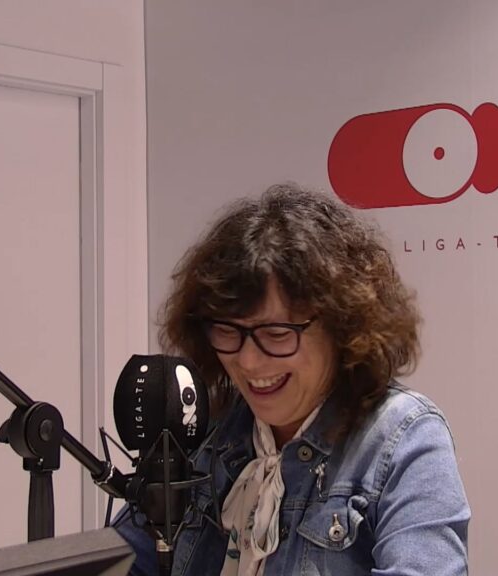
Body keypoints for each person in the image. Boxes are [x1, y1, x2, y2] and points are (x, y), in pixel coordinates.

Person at [114, 183, 470, 575]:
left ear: (342, 326)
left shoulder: (403, 439)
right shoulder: (208, 431)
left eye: (276, 334)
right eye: (228, 332)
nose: (248, 361)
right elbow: (120, 560)